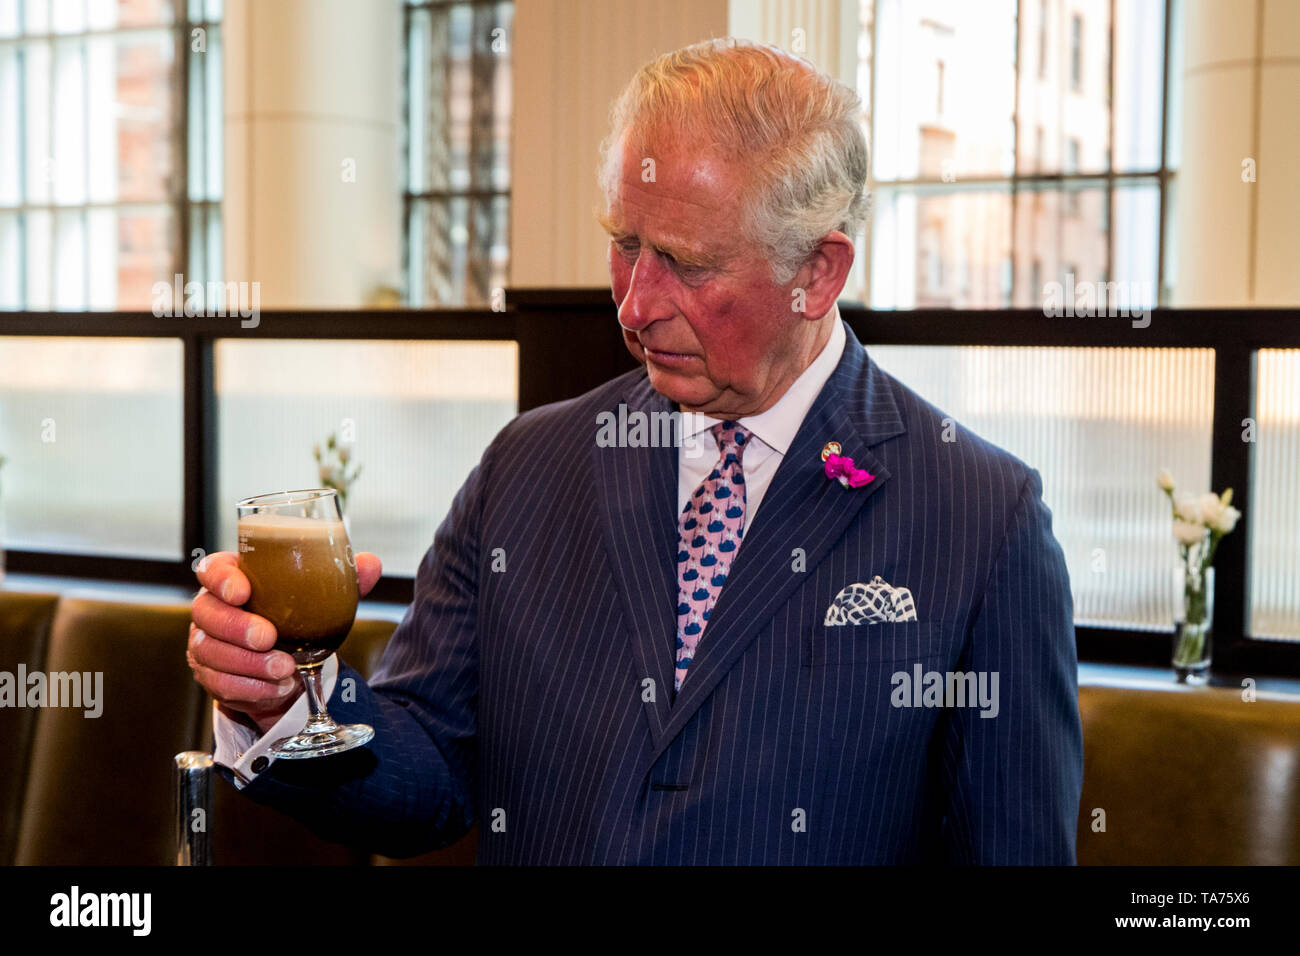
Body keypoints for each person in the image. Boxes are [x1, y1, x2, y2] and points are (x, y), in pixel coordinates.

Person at [188, 37, 1083, 864]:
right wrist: (284, 702)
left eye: (687, 265)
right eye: (625, 245)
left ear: (818, 270)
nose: (633, 303)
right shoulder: (527, 468)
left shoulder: (980, 517)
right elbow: (428, 771)